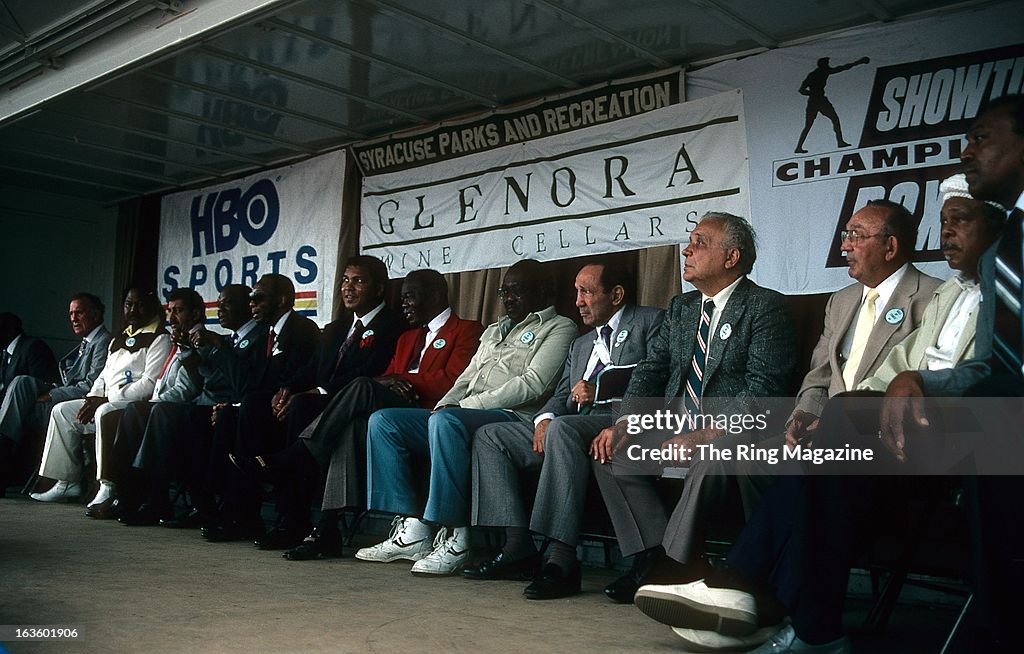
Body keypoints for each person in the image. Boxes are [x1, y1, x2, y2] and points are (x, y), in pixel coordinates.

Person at [632, 174, 1004, 653]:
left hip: (934, 438)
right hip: (851, 429)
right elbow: (842, 372)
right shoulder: (945, 294)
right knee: (805, 461)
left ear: (890, 246)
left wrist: (871, 401)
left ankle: (743, 590)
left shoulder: (946, 291)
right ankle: (788, 615)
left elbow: (986, 372)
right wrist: (810, 413)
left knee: (807, 458)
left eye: (960, 221)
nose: (845, 245)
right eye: (944, 221)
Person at [588, 212, 799, 604]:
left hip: (731, 431)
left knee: (709, 454)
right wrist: (627, 421)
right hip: (674, 423)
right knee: (610, 452)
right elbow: (652, 369)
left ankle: (673, 565)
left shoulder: (765, 307)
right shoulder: (683, 307)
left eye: (699, 242)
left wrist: (702, 434)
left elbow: (764, 392)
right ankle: (651, 554)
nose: (687, 249)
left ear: (731, 257)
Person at [231, 269, 482, 560]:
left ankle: (296, 456)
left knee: (362, 384)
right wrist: (386, 380)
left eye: (410, 297)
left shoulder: (467, 330)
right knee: (348, 427)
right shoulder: (408, 337)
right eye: (402, 298)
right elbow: (386, 377)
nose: (403, 305)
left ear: (435, 296)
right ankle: (326, 531)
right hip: (391, 417)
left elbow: (452, 381)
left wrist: (397, 380)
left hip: (431, 414)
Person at [356, 259, 577, 576]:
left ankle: (456, 535)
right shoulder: (494, 329)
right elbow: (465, 377)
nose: (509, 298)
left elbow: (533, 384)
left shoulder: (560, 327)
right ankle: (412, 529)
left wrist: (466, 407)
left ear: (543, 291)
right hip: (465, 412)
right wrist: (445, 405)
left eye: (518, 291)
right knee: (385, 422)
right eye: (504, 291)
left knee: (447, 422)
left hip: (512, 418)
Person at [465, 260, 663, 599]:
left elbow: (657, 375)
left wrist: (598, 388)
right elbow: (559, 397)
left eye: (586, 292)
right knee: (491, 436)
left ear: (616, 294)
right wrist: (543, 420)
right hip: (574, 428)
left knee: (564, 430)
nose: (578, 301)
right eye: (576, 292)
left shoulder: (649, 322)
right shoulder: (581, 344)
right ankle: (517, 547)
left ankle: (561, 559)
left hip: (623, 421)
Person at [200, 274, 320, 542]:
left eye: (258, 298)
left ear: (282, 300)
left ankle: (243, 512)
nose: (251, 303)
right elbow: (248, 384)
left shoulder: (302, 329)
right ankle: (220, 507)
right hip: (263, 410)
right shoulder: (267, 333)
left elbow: (294, 377)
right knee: (228, 413)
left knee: (250, 408)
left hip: (290, 412)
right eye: (251, 298)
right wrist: (234, 403)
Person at [30, 289, 171, 504]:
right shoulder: (119, 338)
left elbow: (149, 384)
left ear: (152, 306)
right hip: (107, 400)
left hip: (133, 408)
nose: (132, 309)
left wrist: (107, 399)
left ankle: (107, 485)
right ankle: (67, 481)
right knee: (62, 411)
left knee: (104, 412)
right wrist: (93, 397)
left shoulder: (160, 338)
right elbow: (104, 375)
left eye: (139, 304)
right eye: (128, 304)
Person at [90, 287, 208, 520]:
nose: (172, 317)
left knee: (141, 411)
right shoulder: (179, 338)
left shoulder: (200, 340)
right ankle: (125, 495)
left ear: (195, 315)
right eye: (170, 311)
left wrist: (154, 403)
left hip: (188, 412)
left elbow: (186, 390)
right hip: (166, 408)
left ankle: (152, 500)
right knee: (132, 412)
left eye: (179, 311)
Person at [0, 294, 110, 494]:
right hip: (63, 395)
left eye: (79, 312)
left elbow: (91, 386)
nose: (74, 318)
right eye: (71, 314)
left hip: (78, 405)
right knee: (21, 382)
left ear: (96, 314)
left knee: (21, 408)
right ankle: (3, 445)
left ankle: (3, 454)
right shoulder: (86, 341)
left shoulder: (103, 341)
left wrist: (54, 393)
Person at [794, 56, 870, 153]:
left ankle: (840, 142)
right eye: (827, 63)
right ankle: (799, 147)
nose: (828, 65)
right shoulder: (816, 74)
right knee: (813, 124)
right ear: (823, 65)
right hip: (816, 101)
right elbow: (801, 90)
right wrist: (813, 93)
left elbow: (842, 68)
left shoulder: (823, 72)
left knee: (833, 119)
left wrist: (858, 62)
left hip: (818, 100)